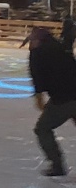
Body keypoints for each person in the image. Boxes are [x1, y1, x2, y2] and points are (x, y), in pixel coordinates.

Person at [28, 27, 73, 176]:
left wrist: (38, 96)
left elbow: (37, 76)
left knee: (42, 129)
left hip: (63, 99)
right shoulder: (61, 48)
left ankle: (57, 165)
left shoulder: (38, 53)